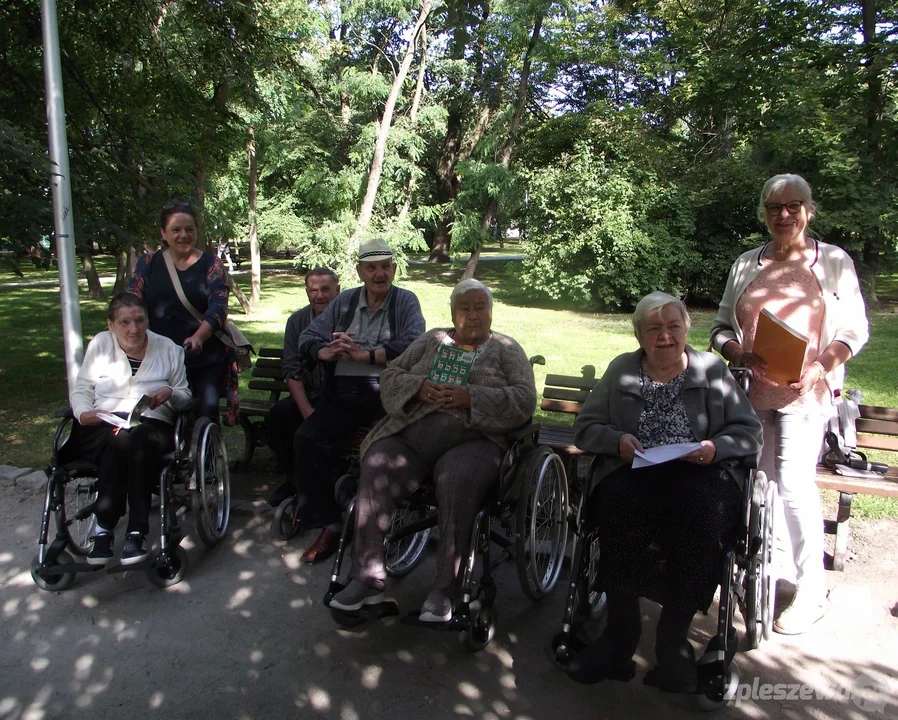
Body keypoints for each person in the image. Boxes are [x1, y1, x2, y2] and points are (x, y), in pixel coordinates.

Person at [568, 292, 762, 692]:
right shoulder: (622, 368)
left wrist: (714, 448)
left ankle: (673, 643)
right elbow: (586, 427)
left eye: (673, 326)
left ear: (686, 330)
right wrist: (618, 439)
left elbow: (749, 432)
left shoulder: (711, 370)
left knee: (701, 511)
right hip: (636, 470)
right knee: (619, 505)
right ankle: (620, 637)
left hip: (701, 473)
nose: (665, 336)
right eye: (653, 328)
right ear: (638, 334)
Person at [710, 173, 869, 635]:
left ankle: (812, 589)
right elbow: (721, 327)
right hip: (751, 394)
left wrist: (820, 366)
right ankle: (767, 572)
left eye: (793, 206)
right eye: (775, 207)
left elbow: (854, 330)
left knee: (796, 484)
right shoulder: (746, 264)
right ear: (763, 213)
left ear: (808, 210)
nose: (784, 215)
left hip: (807, 392)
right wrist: (738, 352)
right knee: (759, 484)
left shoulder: (833, 261)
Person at [328, 279, 537, 621]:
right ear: (452, 313)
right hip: (414, 436)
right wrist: (419, 388)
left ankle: (446, 589)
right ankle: (365, 575)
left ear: (491, 311)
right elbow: (393, 374)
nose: (472, 315)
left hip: (474, 439)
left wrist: (472, 397)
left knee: (457, 481)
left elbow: (525, 400)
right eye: (464, 308)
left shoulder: (505, 348)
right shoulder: (432, 340)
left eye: (479, 307)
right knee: (377, 464)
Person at [293, 238, 426, 563]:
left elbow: (415, 344)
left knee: (381, 456)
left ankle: (377, 529)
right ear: (360, 271)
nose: (379, 273)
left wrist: (365, 355)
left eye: (385, 266)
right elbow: (307, 337)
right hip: (344, 394)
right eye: (372, 267)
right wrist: (325, 351)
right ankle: (331, 523)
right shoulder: (346, 302)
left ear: (393, 269)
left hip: (388, 395)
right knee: (307, 439)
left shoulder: (405, 301)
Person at [68, 293, 191, 566]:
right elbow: (82, 388)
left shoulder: (169, 348)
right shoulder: (101, 345)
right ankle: (124, 530)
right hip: (103, 422)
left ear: (148, 319)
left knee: (135, 440)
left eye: (139, 320)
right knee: (122, 441)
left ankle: (112, 529)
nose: (133, 328)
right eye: (124, 322)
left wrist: (168, 391)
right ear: (111, 325)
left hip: (152, 422)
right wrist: (82, 413)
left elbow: (184, 395)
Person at [128, 202, 234, 424]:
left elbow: (219, 307)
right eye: (176, 230)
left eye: (189, 229)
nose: (183, 235)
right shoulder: (148, 263)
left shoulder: (211, 263)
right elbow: (132, 302)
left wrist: (199, 337)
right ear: (163, 233)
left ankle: (208, 456)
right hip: (161, 356)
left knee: (206, 414)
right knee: (162, 415)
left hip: (204, 354)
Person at [267, 267, 341, 506]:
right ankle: (293, 481)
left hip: (340, 394)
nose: (320, 295)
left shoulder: (350, 317)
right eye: (313, 290)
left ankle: (332, 480)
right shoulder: (297, 321)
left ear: (338, 290)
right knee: (280, 415)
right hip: (310, 392)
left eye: (326, 289)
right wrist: (306, 410)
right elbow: (291, 368)